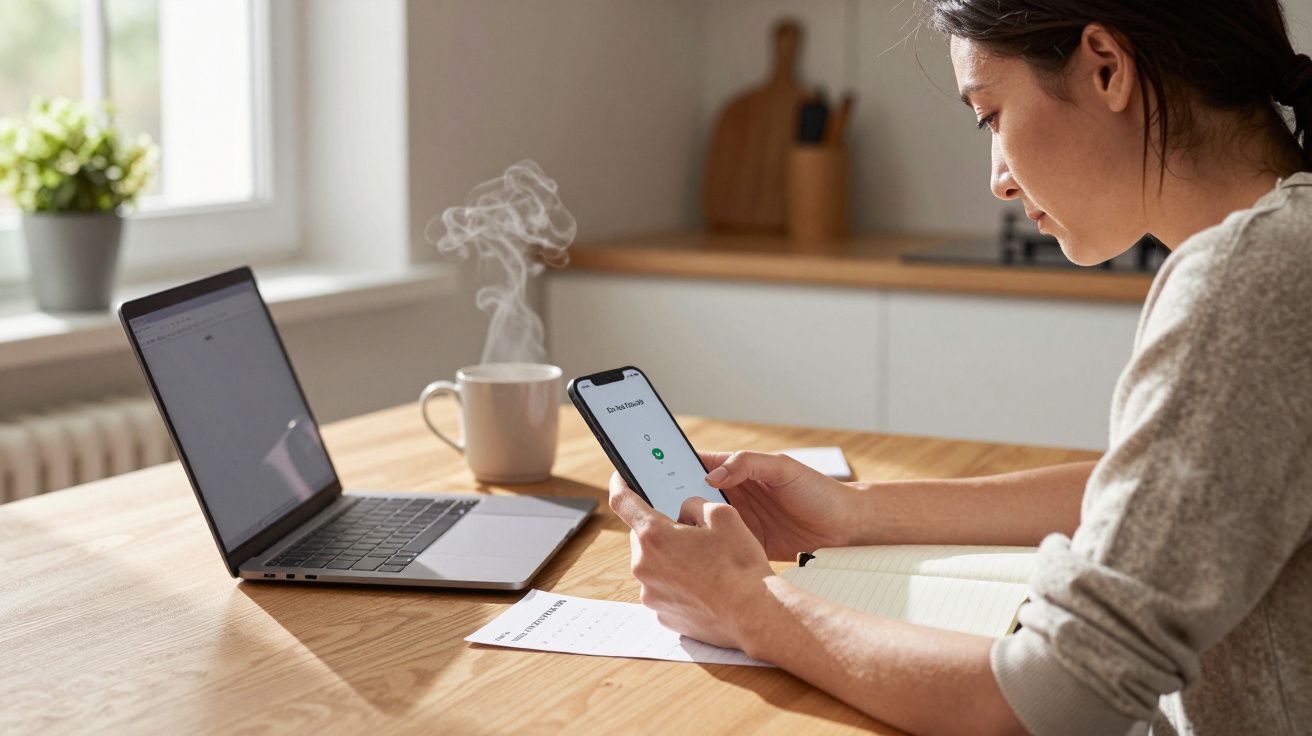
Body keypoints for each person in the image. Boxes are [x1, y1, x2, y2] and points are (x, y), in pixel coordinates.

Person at [606, 2, 1312, 734]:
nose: (999, 180)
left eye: (992, 115)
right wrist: (857, 514)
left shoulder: (1251, 277)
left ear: (1106, 68)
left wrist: (747, 605)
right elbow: (1165, 496)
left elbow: (1060, 696)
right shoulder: (1286, 245)